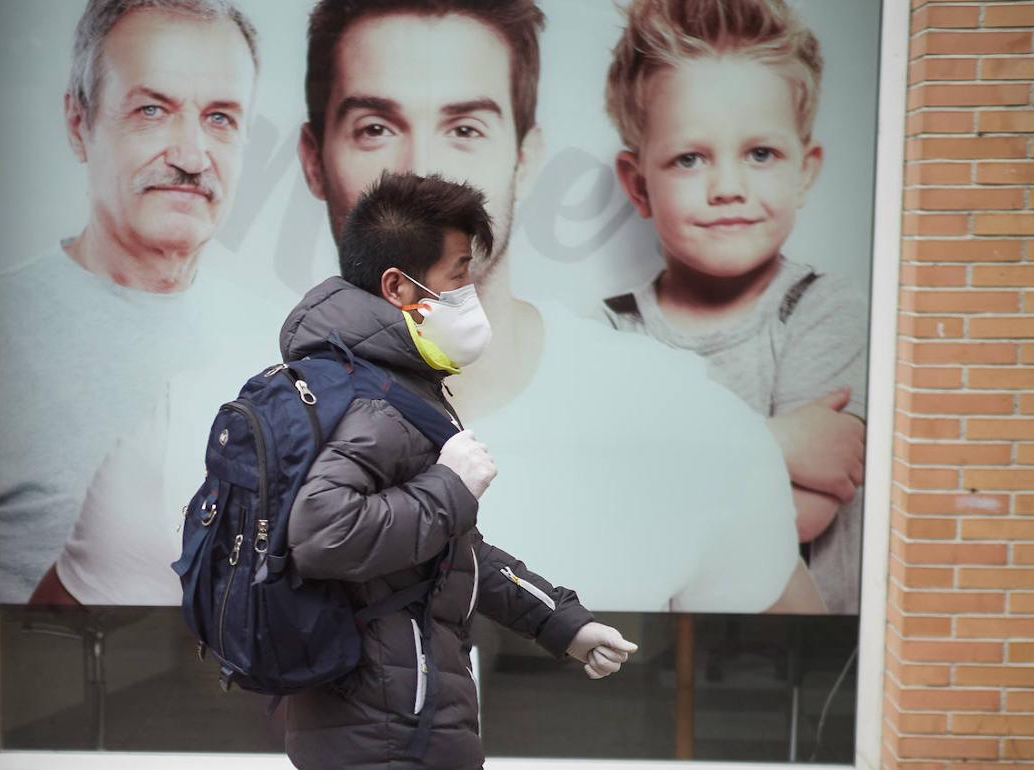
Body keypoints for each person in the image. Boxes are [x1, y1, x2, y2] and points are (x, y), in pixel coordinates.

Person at [49, 0, 811, 614]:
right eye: (376, 127)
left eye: (465, 127)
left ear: (526, 155)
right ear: (315, 160)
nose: (419, 172)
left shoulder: (694, 430)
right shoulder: (194, 432)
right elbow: (72, 689)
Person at [281, 171, 637, 769]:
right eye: (458, 274)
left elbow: (450, 553)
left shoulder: (384, 382)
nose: (470, 290)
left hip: (392, 716)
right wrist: (450, 486)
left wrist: (563, 624)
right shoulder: (373, 399)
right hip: (389, 730)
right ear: (398, 287)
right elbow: (323, 534)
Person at [602, 0, 868, 613]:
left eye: (760, 154)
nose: (727, 187)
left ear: (806, 170)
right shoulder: (611, 330)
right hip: (648, 660)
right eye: (690, 158)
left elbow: (804, 512)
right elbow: (610, 510)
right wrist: (775, 443)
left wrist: (658, 464)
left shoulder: (820, 308)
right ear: (639, 184)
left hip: (805, 661)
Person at [0, 0, 261, 603]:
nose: (192, 157)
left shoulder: (275, 339)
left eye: (220, 118)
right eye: (151, 110)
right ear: (77, 123)